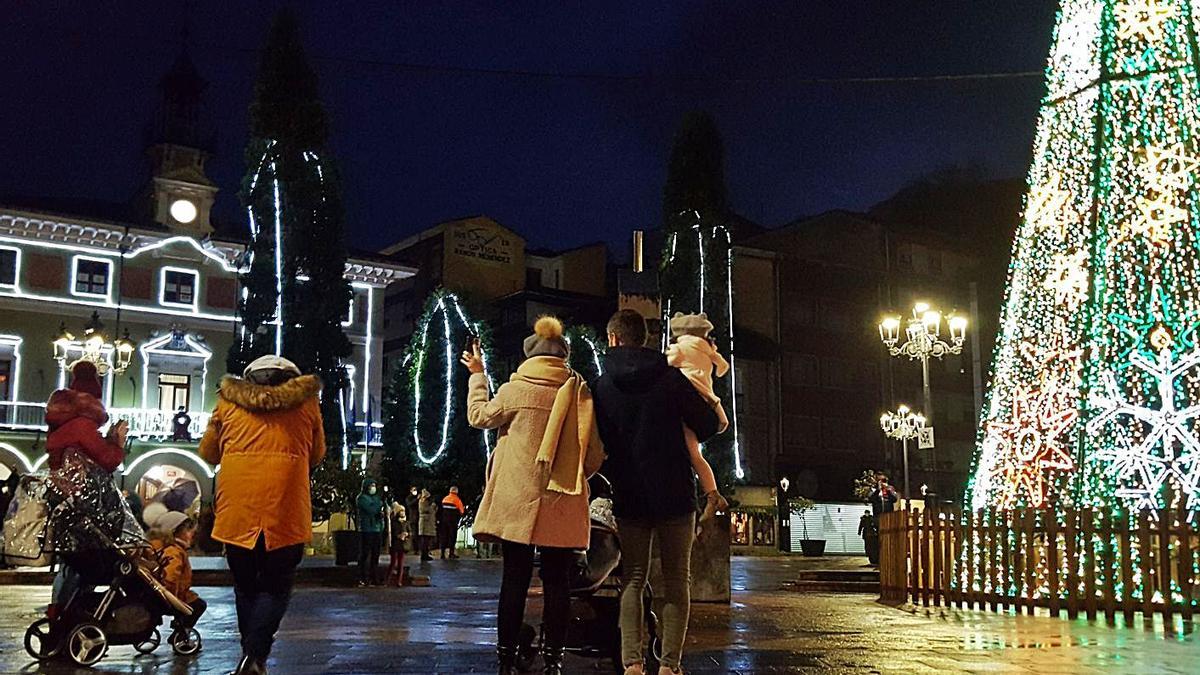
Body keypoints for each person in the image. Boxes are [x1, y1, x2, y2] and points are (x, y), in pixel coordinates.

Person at [463, 316, 605, 675]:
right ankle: (554, 661)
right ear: (563, 356)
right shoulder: (579, 391)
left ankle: (507, 658)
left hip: (518, 499)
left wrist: (477, 375)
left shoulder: (516, 390)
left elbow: (478, 416)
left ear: (530, 356)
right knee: (558, 581)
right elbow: (593, 454)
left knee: (515, 577)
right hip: (562, 498)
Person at [591, 310, 721, 675]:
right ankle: (669, 666)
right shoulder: (671, 378)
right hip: (676, 493)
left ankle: (632, 662)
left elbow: (597, 442)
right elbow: (708, 425)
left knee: (633, 577)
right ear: (645, 339)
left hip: (630, 493)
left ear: (614, 339)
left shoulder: (601, 386)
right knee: (678, 580)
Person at [199, 355, 325, 675]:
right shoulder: (307, 405)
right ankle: (254, 657)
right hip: (285, 509)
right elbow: (317, 454)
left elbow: (209, 452)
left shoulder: (227, 405)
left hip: (237, 511)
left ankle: (251, 657)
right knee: (276, 586)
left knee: (245, 586)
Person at [44, 360, 128, 620]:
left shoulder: (60, 426)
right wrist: (118, 440)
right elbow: (108, 459)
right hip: (84, 508)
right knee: (88, 563)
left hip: (64, 504)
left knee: (71, 563)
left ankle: (58, 611)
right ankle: (71, 614)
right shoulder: (82, 425)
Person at [664, 312, 731, 524]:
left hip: (685, 402)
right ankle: (712, 493)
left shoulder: (679, 348)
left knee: (691, 452)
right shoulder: (707, 348)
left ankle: (712, 495)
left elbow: (667, 364)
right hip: (707, 401)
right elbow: (723, 367)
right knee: (695, 454)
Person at [147, 510, 207, 630]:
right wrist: (174, 599)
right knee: (199, 605)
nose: (191, 534)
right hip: (172, 596)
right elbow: (171, 577)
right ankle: (181, 630)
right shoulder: (174, 552)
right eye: (187, 530)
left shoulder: (160, 547)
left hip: (163, 594)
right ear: (176, 533)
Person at [356, 478, 384, 586]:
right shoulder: (361, 498)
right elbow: (371, 510)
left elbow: (379, 508)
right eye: (371, 485)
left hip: (377, 529)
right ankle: (363, 577)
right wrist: (378, 505)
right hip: (366, 529)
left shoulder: (376, 498)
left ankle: (374, 577)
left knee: (375, 555)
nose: (373, 488)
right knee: (365, 554)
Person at [438, 486, 465, 559]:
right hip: (453, 522)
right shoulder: (457, 500)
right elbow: (462, 511)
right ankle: (451, 553)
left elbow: (440, 510)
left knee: (444, 537)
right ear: (456, 492)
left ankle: (442, 554)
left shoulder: (445, 499)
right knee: (452, 537)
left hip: (444, 521)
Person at [387, 501, 408, 586]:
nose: (402, 513)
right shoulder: (394, 522)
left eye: (403, 511)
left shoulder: (406, 522)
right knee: (393, 562)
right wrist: (399, 535)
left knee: (401, 564)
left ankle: (399, 581)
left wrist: (407, 534)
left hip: (403, 545)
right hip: (395, 544)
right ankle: (387, 579)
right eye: (401, 511)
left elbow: (409, 530)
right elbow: (393, 533)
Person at [417, 489, 437, 563]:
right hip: (425, 523)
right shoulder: (422, 502)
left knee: (427, 540)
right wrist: (432, 507)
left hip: (428, 523)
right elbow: (424, 510)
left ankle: (426, 554)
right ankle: (424, 555)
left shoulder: (425, 502)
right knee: (424, 540)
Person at [405, 487, 421, 554]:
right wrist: (417, 499)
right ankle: (415, 549)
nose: (415, 491)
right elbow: (409, 504)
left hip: (419, 518)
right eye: (414, 490)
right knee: (414, 534)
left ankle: (419, 549)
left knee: (419, 534)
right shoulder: (409, 498)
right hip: (413, 518)